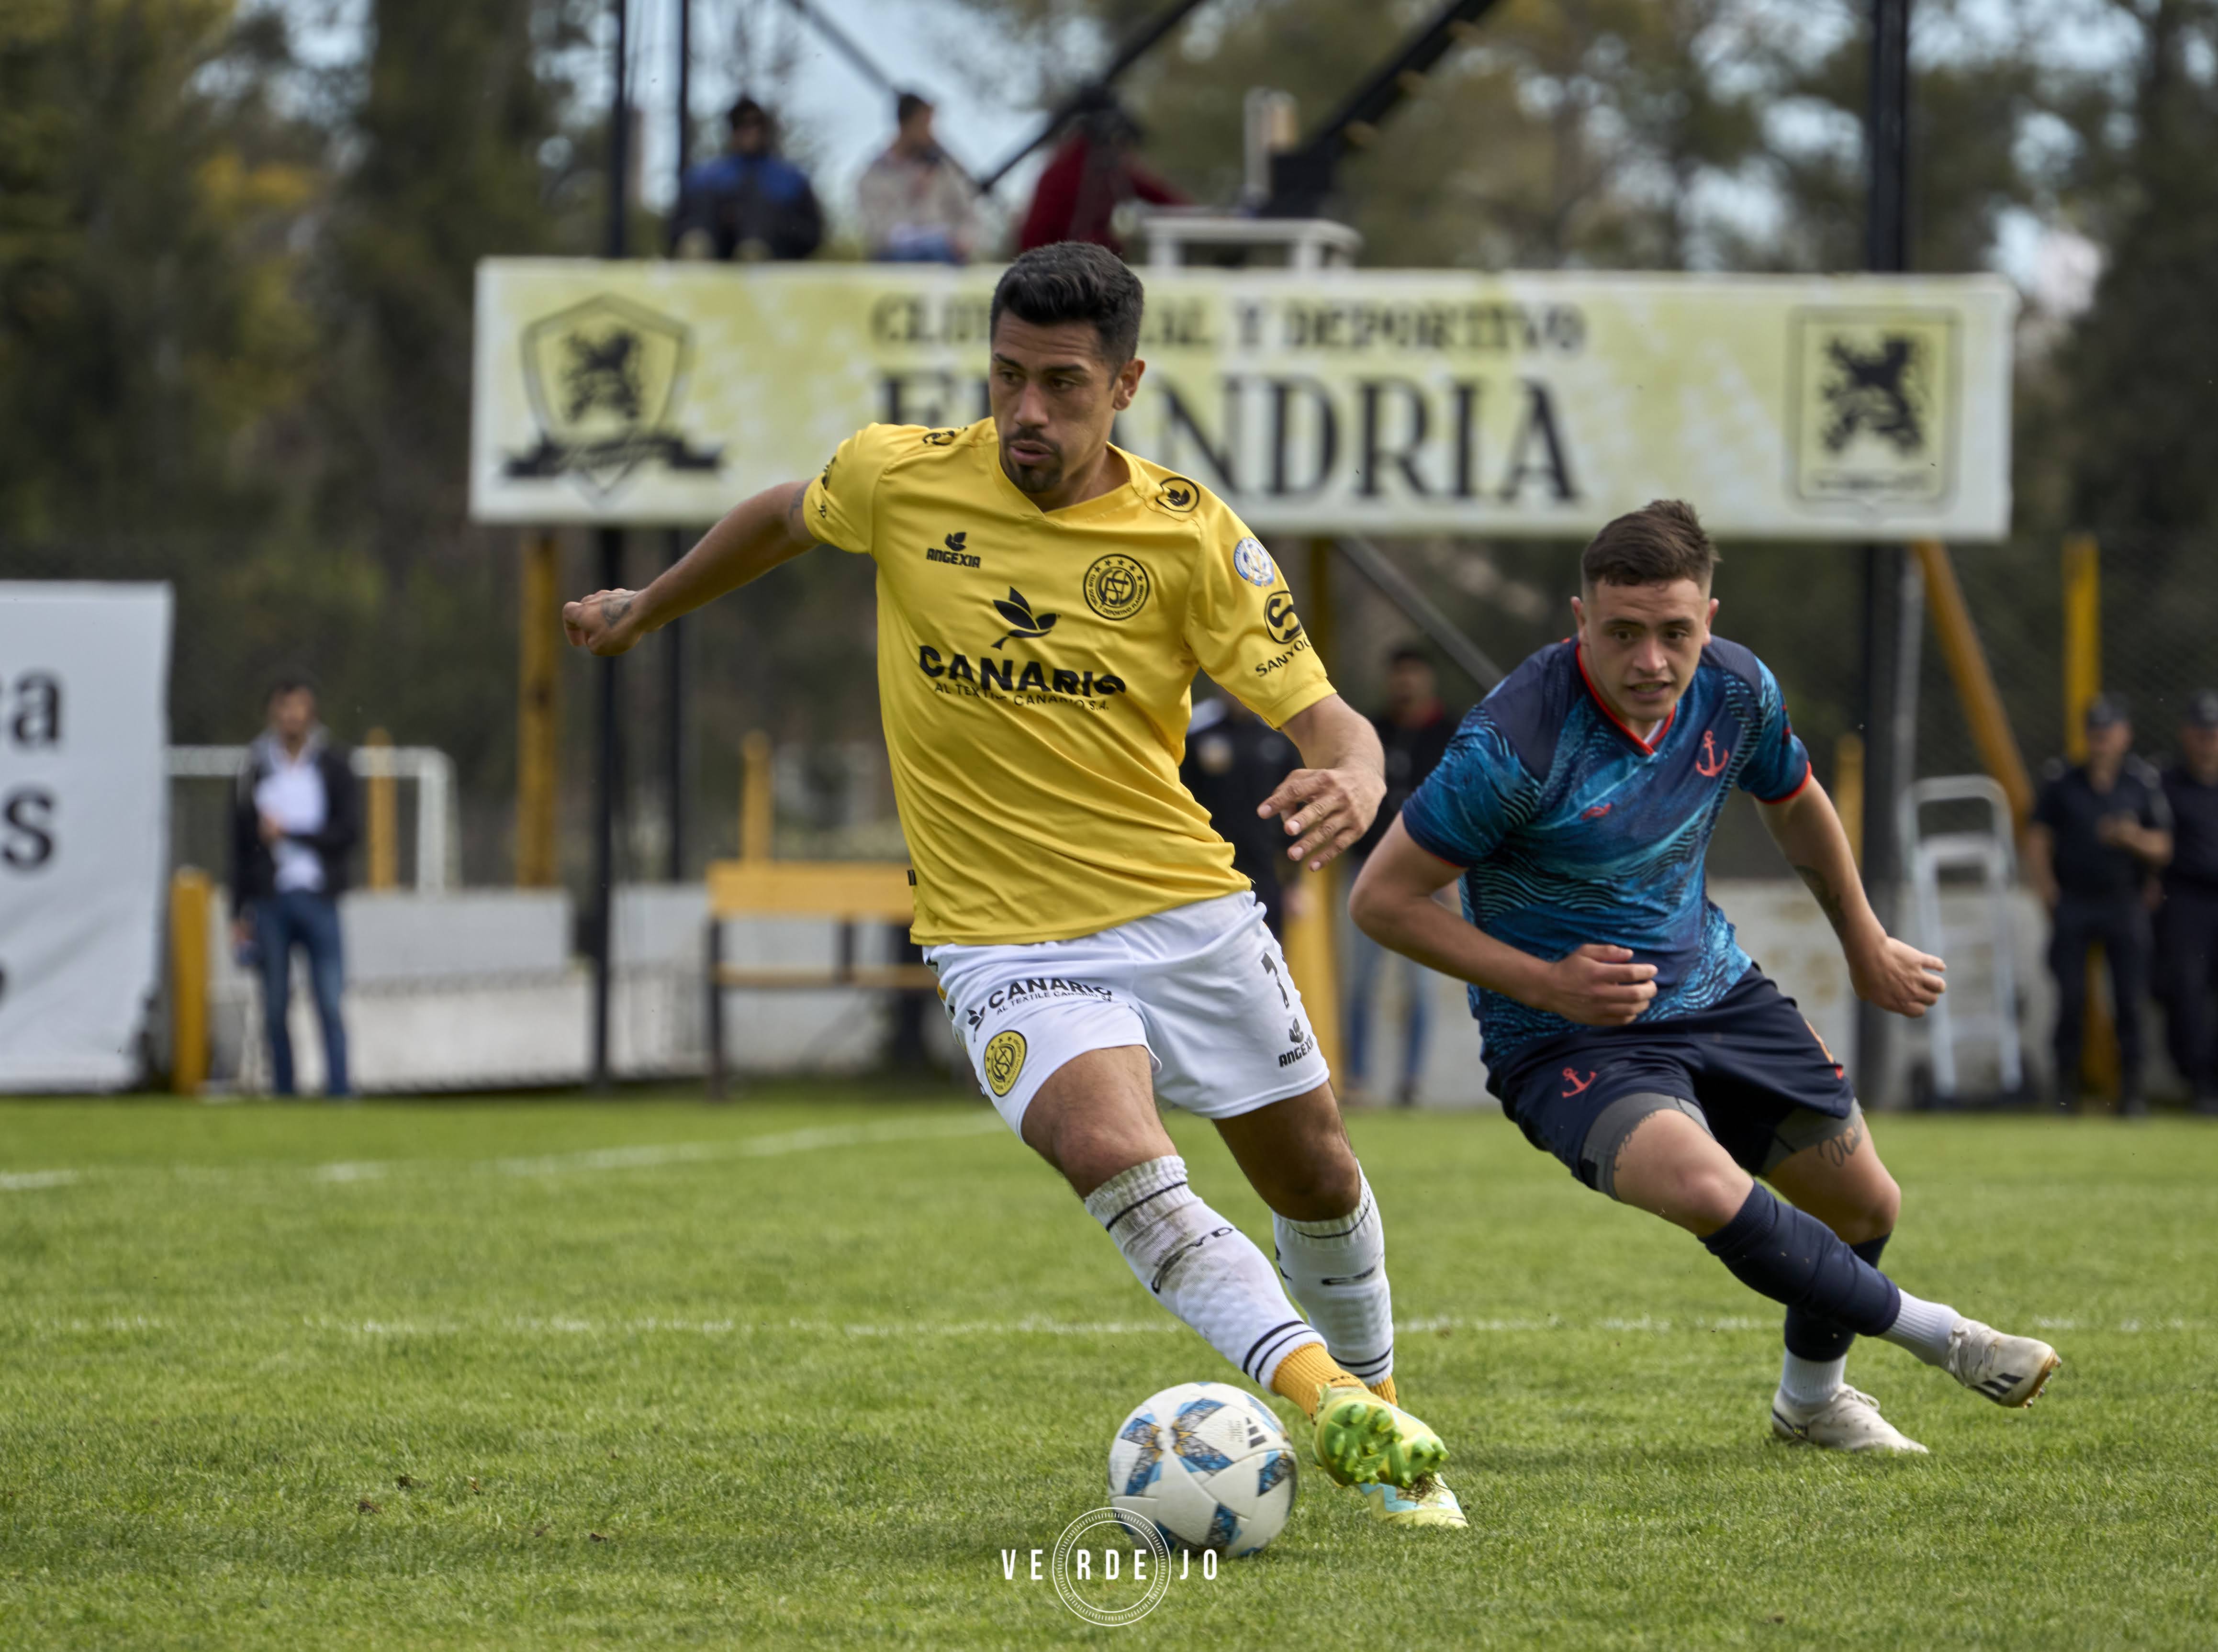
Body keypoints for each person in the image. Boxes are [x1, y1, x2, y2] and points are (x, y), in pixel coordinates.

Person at [561, 242, 1463, 1528]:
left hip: (1184, 907)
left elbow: (1328, 718)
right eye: (1005, 377)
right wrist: (650, 604)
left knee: (1313, 1175)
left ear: (1127, 384)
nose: (1027, 412)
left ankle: (1382, 1407)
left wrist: (1361, 777)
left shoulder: (1186, 534)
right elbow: (779, 512)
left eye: (1061, 385)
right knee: (1108, 1146)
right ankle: (1325, 1398)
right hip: (1001, 933)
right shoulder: (900, 476)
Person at [1351, 501, 2060, 1455]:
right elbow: (1382, 899)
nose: (1650, 660)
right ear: (1580, 620)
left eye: (1675, 633)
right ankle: (1947, 1337)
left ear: (1709, 621)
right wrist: (1547, 983)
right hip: (1563, 1037)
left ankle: (1810, 1402)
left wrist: (1862, 938)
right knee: (1701, 1181)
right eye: (1623, 634)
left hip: (1716, 992)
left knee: (1865, 1205)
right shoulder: (1512, 744)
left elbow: (1796, 800)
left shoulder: (1735, 691)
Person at [2028, 695, 2172, 1115]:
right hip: (2074, 902)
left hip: (2124, 904)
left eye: (2108, 733)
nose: (2101, 742)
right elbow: (2037, 839)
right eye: (2095, 733)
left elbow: (2164, 846)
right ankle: (2066, 1089)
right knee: (2070, 997)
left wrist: (2131, 838)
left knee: (2129, 998)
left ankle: (2132, 1093)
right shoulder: (2062, 782)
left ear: (2124, 736)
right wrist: (2048, 891)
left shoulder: (2142, 783)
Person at [229, 678, 358, 1099]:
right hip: (271, 901)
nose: (292, 717)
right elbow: (238, 845)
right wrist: (237, 912)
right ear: (274, 713)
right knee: (274, 1007)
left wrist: (292, 834)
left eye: (299, 708)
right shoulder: (254, 768)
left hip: (319, 899)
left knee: (330, 1003)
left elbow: (348, 832)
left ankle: (339, 1092)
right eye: (285, 708)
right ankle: (285, 1095)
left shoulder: (334, 765)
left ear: (312, 713)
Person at [1345, 647, 1458, 1106]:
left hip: (1425, 878)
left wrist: (1452, 872)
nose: (1405, 684)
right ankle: (1356, 1079)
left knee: (1419, 988)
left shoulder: (1450, 732)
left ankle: (1410, 1083)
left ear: (1427, 680)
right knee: (1360, 984)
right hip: (1367, 873)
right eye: (1398, 675)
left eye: (1414, 674)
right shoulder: (1374, 730)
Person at [1179, 695, 1300, 934]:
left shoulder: (1277, 738)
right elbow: (1182, 801)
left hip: (1266, 869)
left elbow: (1295, 812)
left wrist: (1295, 884)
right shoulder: (1197, 732)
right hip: (1213, 867)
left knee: (1271, 948)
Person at [1018, 92, 1186, 256]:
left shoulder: (1097, 168)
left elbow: (1159, 195)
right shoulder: (1073, 170)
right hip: (1055, 261)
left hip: (1060, 259)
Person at [2158, 690, 2218, 1115]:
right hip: (2186, 900)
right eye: (2200, 732)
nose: (2207, 740)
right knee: (2188, 991)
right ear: (2186, 735)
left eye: (2213, 732)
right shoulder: (2166, 785)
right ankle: (2200, 1084)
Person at [670, 98, 823, 262]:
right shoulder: (703, 178)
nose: (748, 132)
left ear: (765, 130)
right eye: (740, 125)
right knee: (703, 208)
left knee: (760, 210)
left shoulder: (790, 180)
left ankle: (755, 251)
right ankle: (698, 254)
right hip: (714, 255)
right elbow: (674, 228)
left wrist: (772, 225)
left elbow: (811, 236)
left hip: (774, 261)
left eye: (755, 125)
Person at [856, 92, 976, 265]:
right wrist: (912, 193)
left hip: (946, 263)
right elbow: (878, 236)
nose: (931, 132)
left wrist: (961, 240)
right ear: (905, 125)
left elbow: (970, 218)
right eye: (924, 124)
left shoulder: (944, 170)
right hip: (896, 264)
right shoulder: (873, 176)